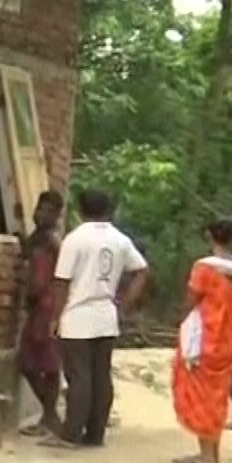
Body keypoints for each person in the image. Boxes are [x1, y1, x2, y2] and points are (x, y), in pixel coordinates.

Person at [50, 189, 149, 447]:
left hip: (77, 316)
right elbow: (141, 271)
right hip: (106, 315)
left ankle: (71, 433)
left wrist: (54, 317)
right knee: (101, 376)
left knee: (79, 376)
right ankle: (95, 434)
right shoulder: (120, 240)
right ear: (108, 210)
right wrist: (124, 304)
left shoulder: (74, 240)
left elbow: (62, 283)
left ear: (80, 210)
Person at [172, 219, 232, 463]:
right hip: (229, 339)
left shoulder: (204, 268)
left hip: (205, 339)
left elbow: (191, 299)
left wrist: (181, 320)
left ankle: (206, 456)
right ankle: (212, 454)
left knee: (201, 395)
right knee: (217, 396)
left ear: (209, 236)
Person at [16, 191, 66, 437]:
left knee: (38, 363)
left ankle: (50, 416)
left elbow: (41, 277)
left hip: (45, 308)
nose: (40, 214)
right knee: (40, 362)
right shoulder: (38, 239)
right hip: (44, 307)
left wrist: (32, 296)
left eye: (47, 210)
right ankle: (50, 415)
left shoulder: (50, 242)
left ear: (56, 215)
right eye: (39, 208)